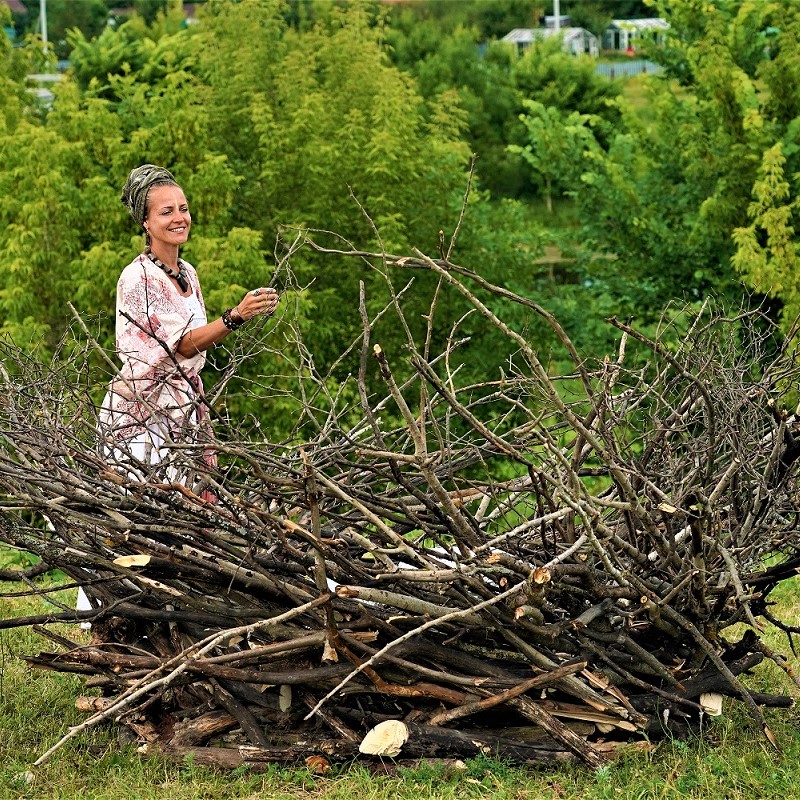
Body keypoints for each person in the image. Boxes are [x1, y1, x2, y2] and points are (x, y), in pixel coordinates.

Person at [97, 163, 279, 483]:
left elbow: (197, 340)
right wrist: (236, 315)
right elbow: (179, 344)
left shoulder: (188, 272)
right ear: (145, 221)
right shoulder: (138, 277)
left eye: (183, 208)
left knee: (188, 511)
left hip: (184, 407)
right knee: (151, 511)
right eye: (166, 211)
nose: (179, 218)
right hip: (144, 414)